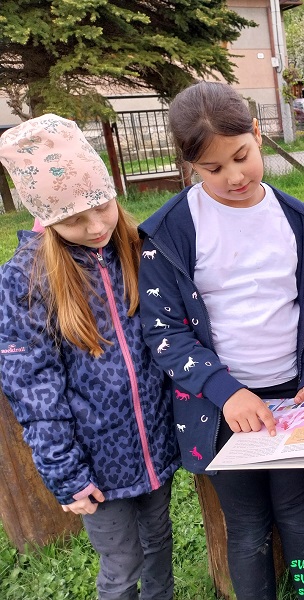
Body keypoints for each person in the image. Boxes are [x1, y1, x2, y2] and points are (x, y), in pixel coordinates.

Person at [137, 81, 304, 600]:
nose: (235, 177)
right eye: (213, 168)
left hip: (292, 397)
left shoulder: (298, 219)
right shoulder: (170, 231)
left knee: (299, 511)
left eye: (241, 156)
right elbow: (164, 332)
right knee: (246, 526)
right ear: (190, 167)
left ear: (257, 134)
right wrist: (227, 393)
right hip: (219, 406)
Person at [0, 114, 179, 600]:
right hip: (94, 462)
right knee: (121, 565)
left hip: (154, 444)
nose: (97, 226)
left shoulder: (136, 248)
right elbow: (33, 386)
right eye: (74, 219)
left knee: (159, 542)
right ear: (46, 218)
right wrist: (65, 471)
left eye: (102, 206)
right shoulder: (26, 279)